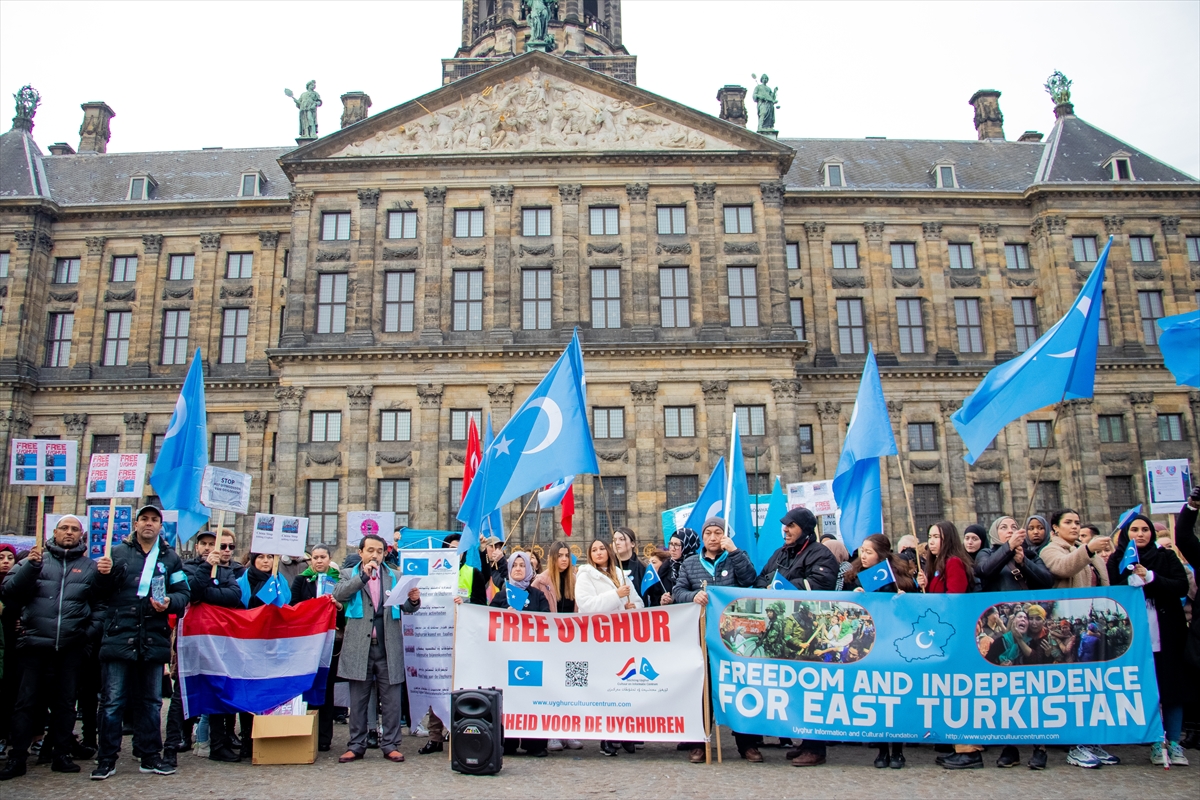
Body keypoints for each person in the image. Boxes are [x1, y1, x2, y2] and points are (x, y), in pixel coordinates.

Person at [0, 515, 113, 781]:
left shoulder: (89, 567)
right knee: (26, 703)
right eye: (65, 528)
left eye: (75, 529)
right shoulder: (34, 561)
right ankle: (17, 756)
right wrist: (29, 567)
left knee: (65, 704)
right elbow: (9, 592)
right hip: (35, 645)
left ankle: (60, 754)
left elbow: (101, 605)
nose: (69, 533)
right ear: (55, 531)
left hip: (71, 646)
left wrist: (86, 634)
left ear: (82, 536)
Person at [92, 504, 190, 780]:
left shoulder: (170, 558)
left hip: (152, 637)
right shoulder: (115, 554)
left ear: (161, 526)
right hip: (119, 635)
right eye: (144, 519)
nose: (149, 523)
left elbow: (183, 593)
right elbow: (97, 593)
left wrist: (171, 602)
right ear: (135, 524)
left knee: (151, 702)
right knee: (112, 702)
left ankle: (149, 755)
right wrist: (102, 575)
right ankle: (106, 759)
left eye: (154, 520)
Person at [667, 518, 757, 763]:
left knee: (736, 688)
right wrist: (693, 595)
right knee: (701, 690)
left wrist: (735, 552)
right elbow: (678, 592)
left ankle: (746, 744)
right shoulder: (691, 562)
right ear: (703, 537)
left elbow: (750, 580)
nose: (713, 537)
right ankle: (699, 742)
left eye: (718, 532)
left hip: (733, 638)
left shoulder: (736, 557)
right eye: (709, 533)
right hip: (701, 635)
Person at [1109, 513, 1191, 766]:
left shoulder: (1166, 557)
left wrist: (1151, 578)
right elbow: (1113, 587)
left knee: (1172, 690)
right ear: (1126, 534)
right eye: (1135, 529)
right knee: (1147, 691)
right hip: (1135, 639)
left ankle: (1174, 743)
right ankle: (1156, 741)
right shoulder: (1117, 560)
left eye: (1145, 529)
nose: (1141, 534)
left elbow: (1181, 586)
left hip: (1167, 634)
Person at [333, 534, 420, 764]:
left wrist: (413, 601)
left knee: (391, 699)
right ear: (361, 552)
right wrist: (362, 577)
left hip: (387, 645)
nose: (375, 555)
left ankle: (391, 744)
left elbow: (407, 608)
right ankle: (356, 745)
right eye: (370, 550)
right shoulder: (347, 574)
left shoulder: (395, 576)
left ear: (384, 553)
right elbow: (338, 594)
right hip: (358, 646)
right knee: (359, 699)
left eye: (379, 551)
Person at [163, 528, 240, 766]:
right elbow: (192, 593)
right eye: (205, 544)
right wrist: (207, 569)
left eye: (213, 544)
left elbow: (233, 595)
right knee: (182, 694)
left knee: (216, 688)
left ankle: (217, 745)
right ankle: (171, 746)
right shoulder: (187, 568)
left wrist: (207, 593)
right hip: (192, 639)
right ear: (197, 547)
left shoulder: (226, 570)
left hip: (216, 639)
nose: (209, 548)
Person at [576, 538, 643, 757]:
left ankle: (626, 734)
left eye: (602, 548)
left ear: (608, 551)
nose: (598, 552)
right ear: (589, 554)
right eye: (594, 550)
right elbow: (587, 605)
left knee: (625, 687)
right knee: (605, 689)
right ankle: (607, 737)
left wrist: (632, 607)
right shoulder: (585, 575)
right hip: (599, 639)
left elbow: (638, 603)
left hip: (623, 638)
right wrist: (616, 595)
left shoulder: (621, 574)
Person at [490, 552, 549, 757]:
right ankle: (508, 741)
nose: (517, 569)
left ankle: (535, 743)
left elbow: (546, 622)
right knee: (509, 700)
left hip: (532, 656)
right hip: (506, 657)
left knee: (532, 699)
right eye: (514, 565)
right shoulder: (500, 595)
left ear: (529, 570)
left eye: (522, 565)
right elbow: (486, 621)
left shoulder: (537, 595)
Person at [528, 541, 583, 753]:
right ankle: (552, 731)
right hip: (550, 642)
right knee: (552, 687)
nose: (563, 559)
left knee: (572, 686)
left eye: (566, 555)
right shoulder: (540, 582)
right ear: (552, 557)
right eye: (560, 555)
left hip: (573, 642)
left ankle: (570, 730)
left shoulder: (575, 581)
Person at [291, 543, 345, 753]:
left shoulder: (337, 581)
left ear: (329, 559)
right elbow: (294, 606)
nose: (319, 560)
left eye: (323, 557)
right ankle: (305, 732)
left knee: (326, 688)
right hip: (306, 642)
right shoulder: (301, 580)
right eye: (315, 557)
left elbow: (344, 612)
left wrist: (335, 607)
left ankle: (324, 737)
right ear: (310, 560)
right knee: (306, 686)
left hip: (329, 642)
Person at [975, 516, 1054, 593]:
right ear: (995, 532)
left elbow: (1048, 582)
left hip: (1027, 605)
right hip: (999, 604)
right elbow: (984, 571)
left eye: (1014, 527)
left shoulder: (1030, 555)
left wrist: (1024, 562)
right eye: (1003, 527)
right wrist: (1009, 547)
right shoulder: (987, 553)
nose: (1010, 531)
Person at [1041, 508, 1111, 592]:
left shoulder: (1087, 551)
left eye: (1077, 523)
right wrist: (1088, 550)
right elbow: (1063, 568)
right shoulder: (1049, 550)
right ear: (1055, 527)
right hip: (1067, 603)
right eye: (1068, 522)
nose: (1074, 526)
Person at [0, 543, 20, 757]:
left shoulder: (16, 585)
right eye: (1, 557)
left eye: (9, 557)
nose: (5, 561)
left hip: (11, 647)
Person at [919, 521, 972, 594]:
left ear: (948, 539)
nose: (931, 542)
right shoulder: (936, 562)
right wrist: (925, 585)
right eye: (929, 537)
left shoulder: (954, 562)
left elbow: (954, 596)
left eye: (936, 537)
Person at [613, 527, 661, 607]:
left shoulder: (644, 568)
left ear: (632, 543)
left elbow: (655, 596)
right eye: (614, 540)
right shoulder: (606, 567)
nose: (617, 543)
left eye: (622, 539)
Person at [660, 528, 699, 603]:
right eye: (671, 544)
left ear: (688, 545)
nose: (672, 549)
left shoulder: (697, 564)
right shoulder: (666, 567)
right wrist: (662, 601)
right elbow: (656, 594)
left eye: (677, 545)